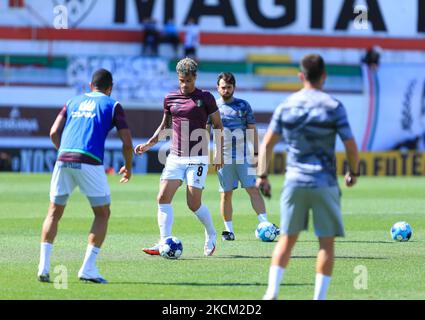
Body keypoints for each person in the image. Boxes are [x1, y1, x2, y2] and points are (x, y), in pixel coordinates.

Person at [258, 54, 359, 300]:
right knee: (326, 243)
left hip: (294, 181)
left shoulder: (287, 105)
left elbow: (267, 144)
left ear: (301, 76)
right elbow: (350, 144)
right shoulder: (334, 106)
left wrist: (262, 175)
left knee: (287, 239)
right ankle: (319, 297)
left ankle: (271, 293)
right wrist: (353, 171)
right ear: (324, 76)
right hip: (324, 182)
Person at [37, 69, 133, 284]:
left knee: (54, 212)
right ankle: (88, 268)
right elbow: (127, 142)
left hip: (63, 159)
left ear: (91, 85)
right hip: (89, 160)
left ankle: (43, 267)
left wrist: (65, 154)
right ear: (110, 88)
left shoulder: (72, 101)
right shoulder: (112, 104)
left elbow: (53, 132)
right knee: (102, 214)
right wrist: (128, 167)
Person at [135, 57, 223, 256]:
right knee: (162, 197)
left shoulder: (206, 97)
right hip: (175, 156)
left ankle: (211, 234)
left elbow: (218, 125)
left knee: (193, 203)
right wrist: (149, 143)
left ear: (195, 78)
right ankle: (163, 241)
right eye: (182, 80)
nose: (185, 85)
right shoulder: (170, 98)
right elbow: (165, 125)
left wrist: (219, 153)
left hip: (198, 156)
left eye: (189, 81)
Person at [207, 72, 277, 241]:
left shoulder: (243, 106)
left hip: (243, 156)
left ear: (234, 88)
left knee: (252, 189)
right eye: (223, 87)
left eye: (229, 87)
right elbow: (206, 131)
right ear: (218, 88)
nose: (225, 90)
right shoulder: (212, 107)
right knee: (226, 193)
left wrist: (255, 153)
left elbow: (252, 128)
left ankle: (265, 224)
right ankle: (228, 230)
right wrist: (212, 154)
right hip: (223, 157)